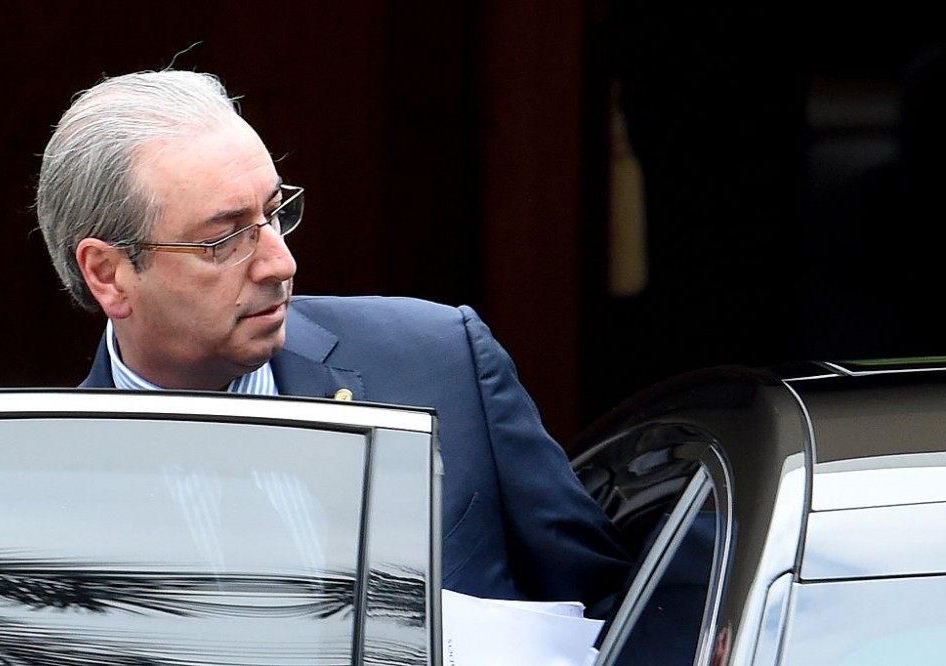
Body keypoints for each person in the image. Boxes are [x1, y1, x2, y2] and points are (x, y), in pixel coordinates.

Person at [34, 68, 630, 618]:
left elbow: (621, 603)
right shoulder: (33, 492)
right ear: (109, 273)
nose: (279, 262)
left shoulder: (443, 359)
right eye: (225, 239)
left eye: (275, 213)